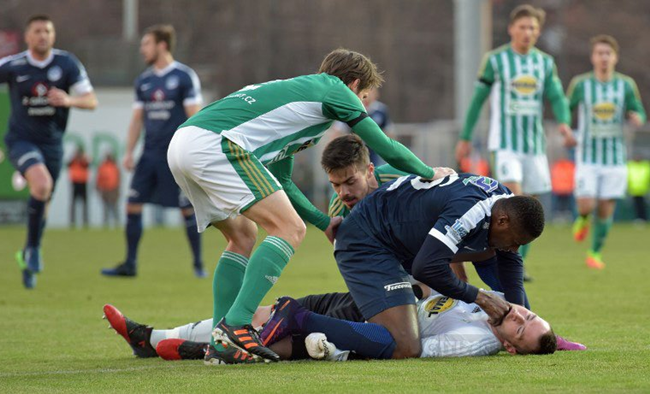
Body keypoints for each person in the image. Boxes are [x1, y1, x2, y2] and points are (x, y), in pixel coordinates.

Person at [167, 48, 445, 364]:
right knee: (288, 228)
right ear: (354, 85)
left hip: (184, 142)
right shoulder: (336, 91)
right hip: (214, 144)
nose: (362, 104)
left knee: (243, 235)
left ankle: (221, 341)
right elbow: (384, 146)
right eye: (364, 96)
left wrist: (323, 221)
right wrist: (430, 172)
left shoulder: (301, 96)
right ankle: (236, 325)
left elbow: (282, 182)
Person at [102, 286, 556, 363]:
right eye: (528, 314)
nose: (519, 316)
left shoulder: (477, 341)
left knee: (278, 335)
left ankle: (166, 342)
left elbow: (414, 349)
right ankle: (162, 338)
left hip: (371, 326)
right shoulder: (492, 308)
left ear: (510, 348)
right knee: (261, 317)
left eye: (520, 328)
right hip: (377, 300)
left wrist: (346, 348)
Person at [454, 4, 576, 280]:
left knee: (531, 207)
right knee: (516, 200)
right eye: (522, 26)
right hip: (505, 143)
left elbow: (556, 96)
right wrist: (465, 136)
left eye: (532, 27)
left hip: (533, 145)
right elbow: (477, 101)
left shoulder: (544, 63)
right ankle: (510, 265)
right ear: (511, 29)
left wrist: (565, 123)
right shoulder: (495, 60)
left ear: (538, 31)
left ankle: (518, 264)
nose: (527, 32)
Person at [0, 15, 97, 289]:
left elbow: (91, 100)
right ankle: (32, 250)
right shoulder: (13, 65)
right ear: (27, 36)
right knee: (42, 184)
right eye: (37, 31)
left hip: (52, 144)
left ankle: (29, 252)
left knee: (42, 202)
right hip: (20, 141)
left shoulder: (66, 63)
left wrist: (69, 99)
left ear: (53, 36)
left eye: (48, 31)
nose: (43, 35)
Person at [100, 25, 205, 278]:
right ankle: (130, 264)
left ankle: (198, 264)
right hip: (148, 155)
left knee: (187, 209)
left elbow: (196, 116)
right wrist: (128, 152)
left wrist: (197, 150)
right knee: (132, 205)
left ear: (162, 45)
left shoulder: (183, 76)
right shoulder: (144, 80)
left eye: (146, 44)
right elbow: (137, 119)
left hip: (175, 155)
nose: (142, 49)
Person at [568, 35, 646, 269]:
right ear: (593, 57)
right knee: (586, 205)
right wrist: (566, 129)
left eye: (608, 53)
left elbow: (638, 109)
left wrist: (637, 117)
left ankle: (595, 253)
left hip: (614, 158)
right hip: (588, 155)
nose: (604, 58)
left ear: (615, 57)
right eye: (599, 53)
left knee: (605, 208)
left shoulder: (626, 84)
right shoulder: (581, 84)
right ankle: (582, 219)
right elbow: (565, 107)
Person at [96, 153, 120, 228]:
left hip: (113, 189)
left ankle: (117, 222)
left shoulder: (115, 166)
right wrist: (98, 187)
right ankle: (106, 223)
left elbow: (119, 179)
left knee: (114, 207)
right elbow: (99, 178)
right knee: (106, 207)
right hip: (105, 189)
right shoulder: (102, 166)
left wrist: (117, 189)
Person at [67, 146, 90, 227]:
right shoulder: (73, 160)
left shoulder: (84, 160)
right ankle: (72, 221)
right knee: (73, 203)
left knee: (85, 203)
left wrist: (83, 157)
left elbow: (86, 165)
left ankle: (85, 221)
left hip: (83, 182)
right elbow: (68, 164)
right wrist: (74, 156)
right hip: (75, 182)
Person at [627, 156, 650, 223]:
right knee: (636, 205)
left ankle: (643, 218)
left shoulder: (645, 166)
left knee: (642, 205)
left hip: (644, 189)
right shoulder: (630, 165)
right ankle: (639, 218)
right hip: (633, 190)